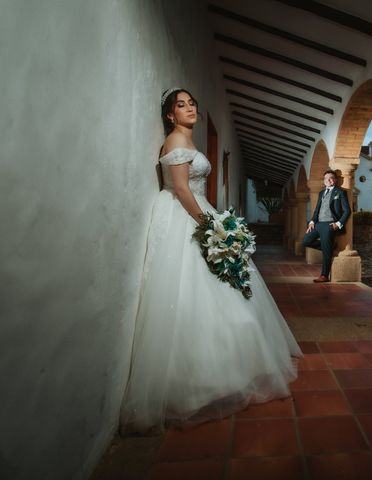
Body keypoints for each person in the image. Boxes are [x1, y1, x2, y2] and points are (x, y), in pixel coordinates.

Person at [120, 88, 302, 434]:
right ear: (170, 116)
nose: (189, 108)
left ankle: (229, 368)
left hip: (200, 211)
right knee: (193, 294)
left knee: (225, 289)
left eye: (192, 103)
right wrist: (210, 227)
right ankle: (198, 382)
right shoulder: (175, 141)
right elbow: (182, 188)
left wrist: (215, 221)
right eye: (181, 105)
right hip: (185, 216)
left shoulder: (187, 142)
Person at [302, 170, 351, 283]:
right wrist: (312, 222)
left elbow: (347, 211)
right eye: (326, 178)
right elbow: (317, 210)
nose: (328, 180)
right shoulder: (321, 193)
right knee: (306, 241)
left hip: (329, 225)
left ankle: (324, 275)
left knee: (326, 252)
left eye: (331, 178)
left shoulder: (340, 192)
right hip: (318, 224)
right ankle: (330, 246)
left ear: (335, 180)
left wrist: (338, 224)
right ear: (324, 181)